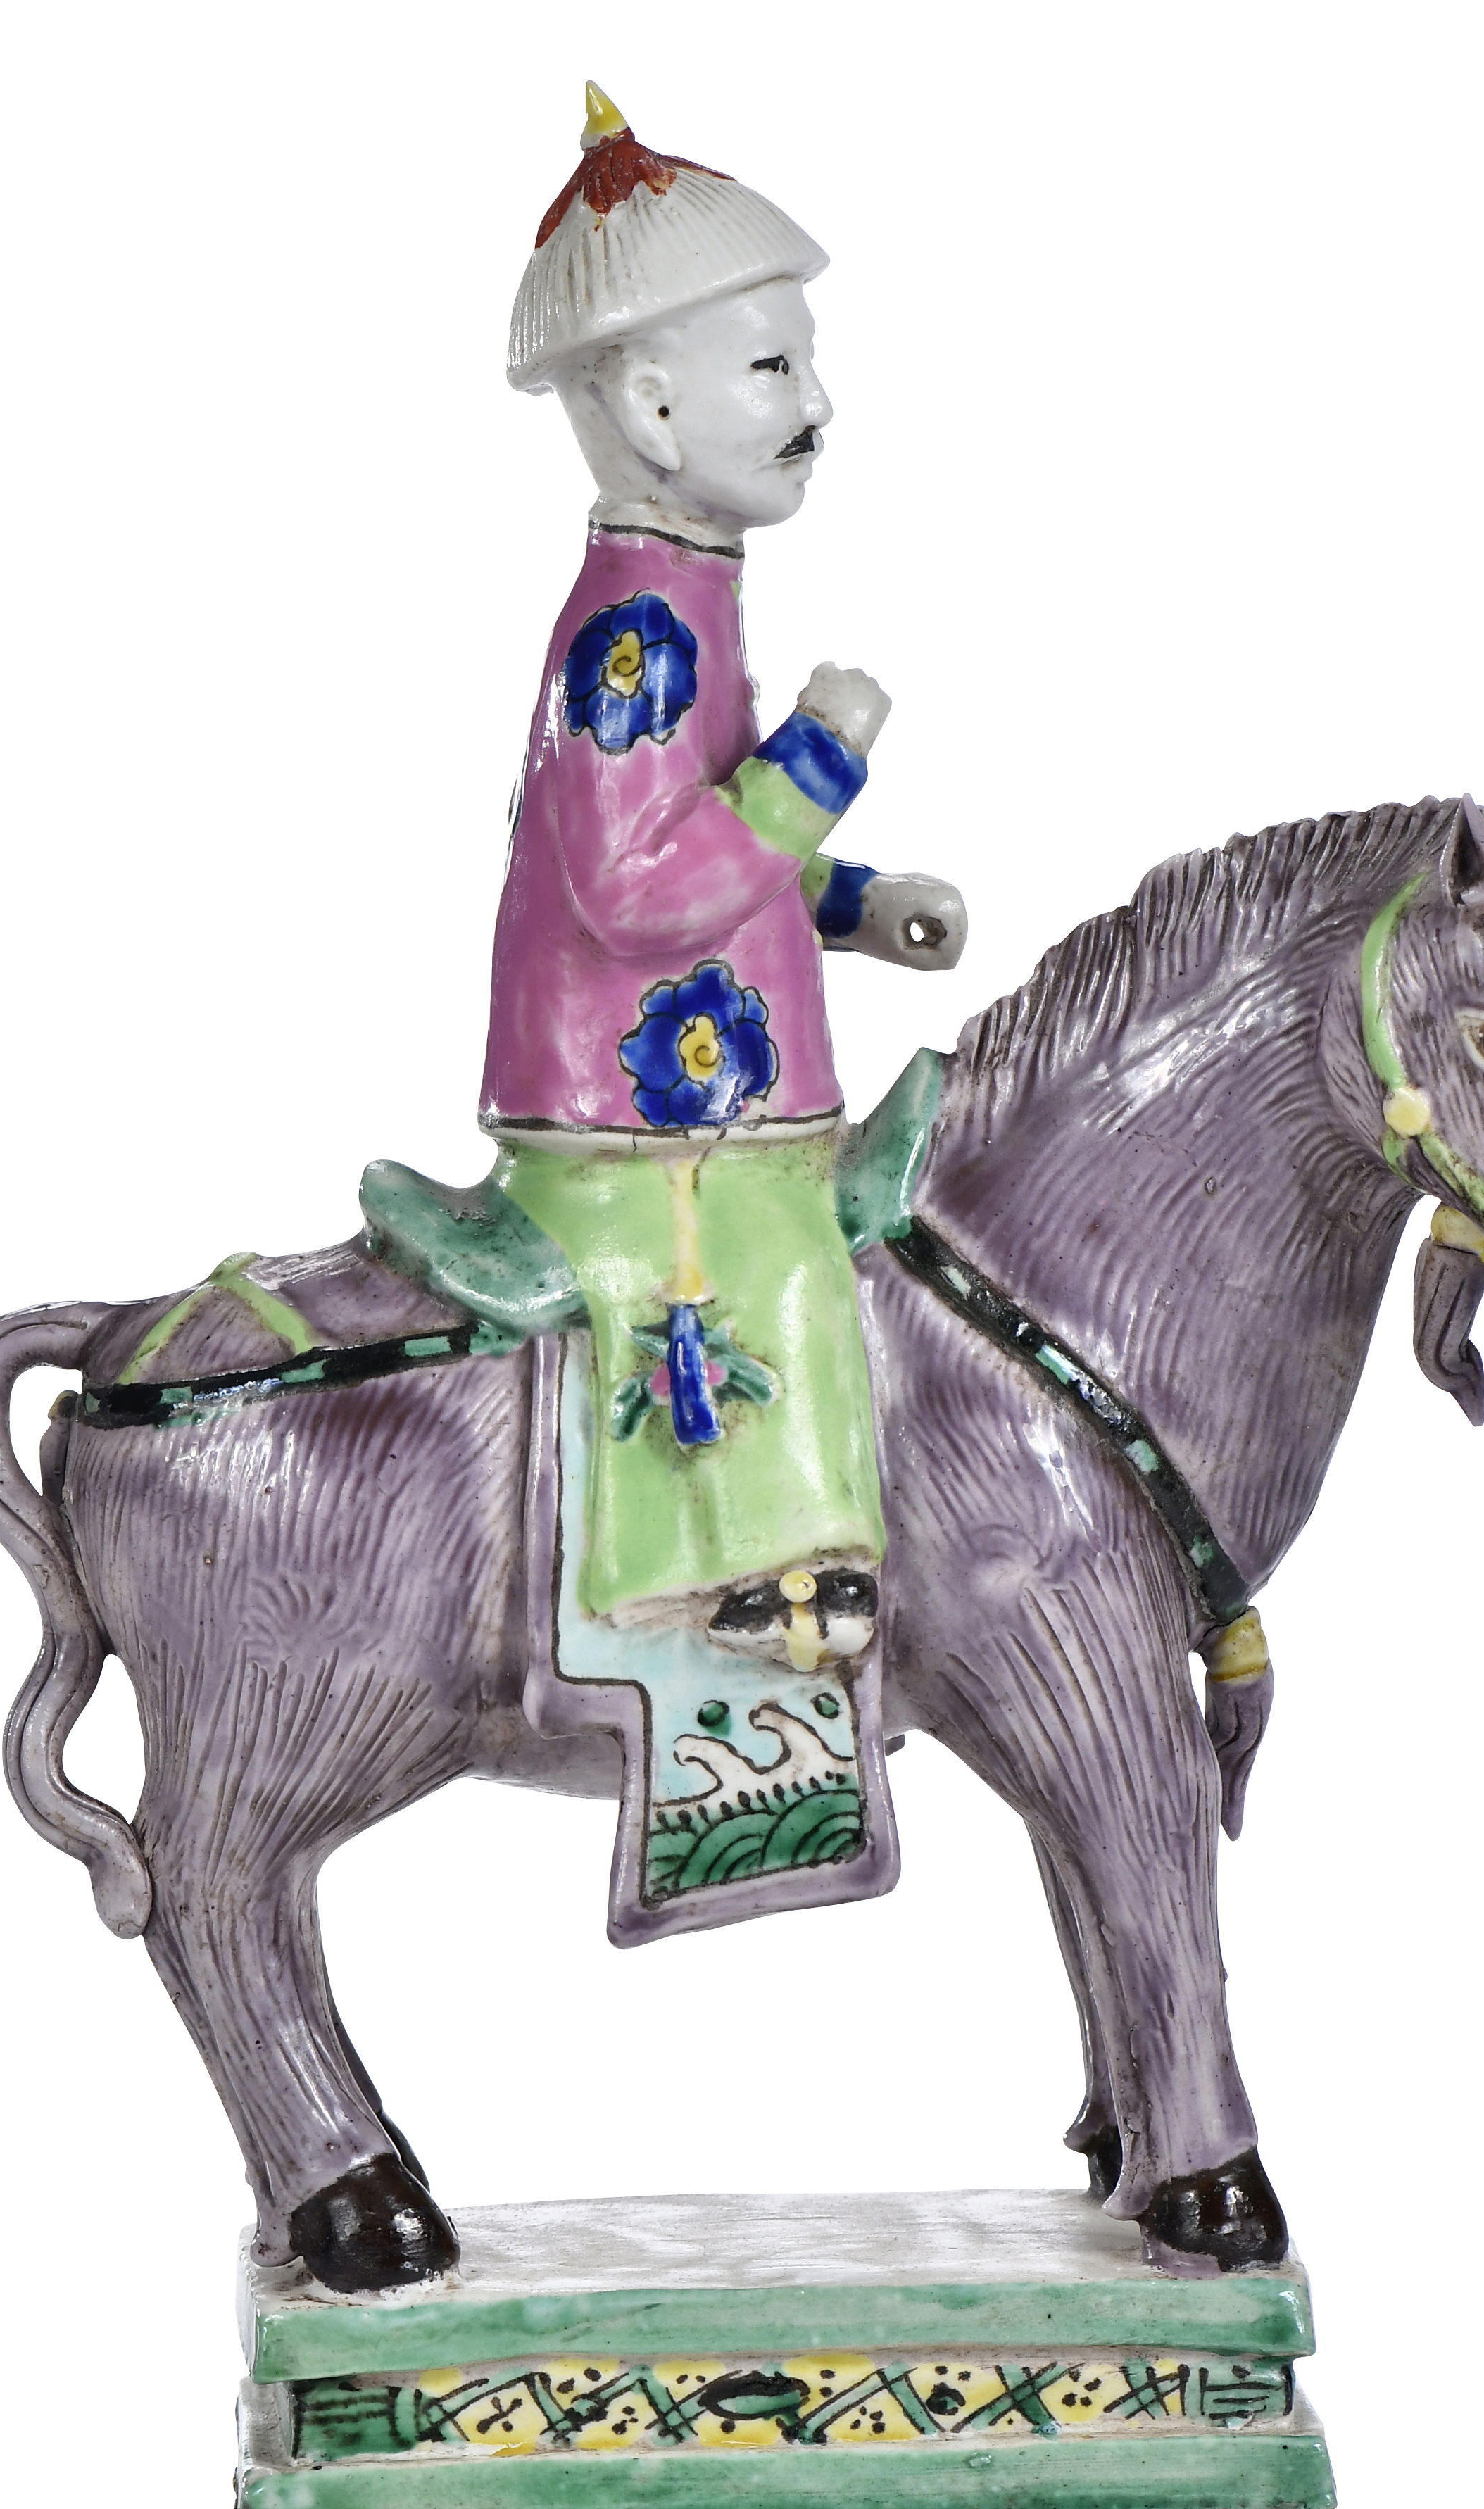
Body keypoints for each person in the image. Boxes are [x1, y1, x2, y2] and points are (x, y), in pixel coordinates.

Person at [479, 84, 964, 1668]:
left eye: (805, 362)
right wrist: (821, 757)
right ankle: (748, 1576)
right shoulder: (637, 626)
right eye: (772, 370)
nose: (817, 403)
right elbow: (636, 892)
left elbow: (715, 855)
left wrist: (851, 902)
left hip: (718, 1083)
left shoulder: (689, 597)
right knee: (782, 1272)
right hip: (646, 1116)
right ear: (650, 406)